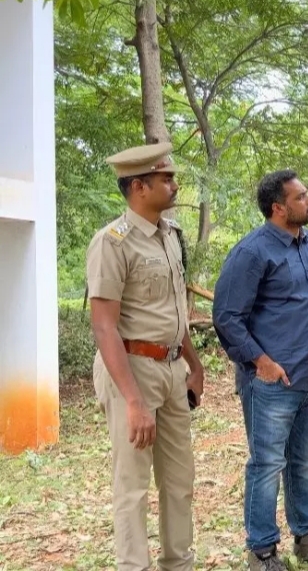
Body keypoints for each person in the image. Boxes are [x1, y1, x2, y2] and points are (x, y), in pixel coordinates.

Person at [212, 170, 308, 570]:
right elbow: (227, 316)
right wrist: (262, 362)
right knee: (267, 464)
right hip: (272, 382)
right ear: (278, 207)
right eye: (301, 196)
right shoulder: (252, 252)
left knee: (303, 462)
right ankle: (262, 551)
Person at [86, 142, 206, 571]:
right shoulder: (113, 242)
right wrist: (134, 401)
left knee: (179, 481)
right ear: (139, 186)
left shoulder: (170, 236)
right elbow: (104, 326)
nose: (174, 185)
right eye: (166, 178)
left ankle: (179, 563)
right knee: (132, 486)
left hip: (172, 368)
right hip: (132, 370)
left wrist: (194, 362)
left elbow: (174, 309)